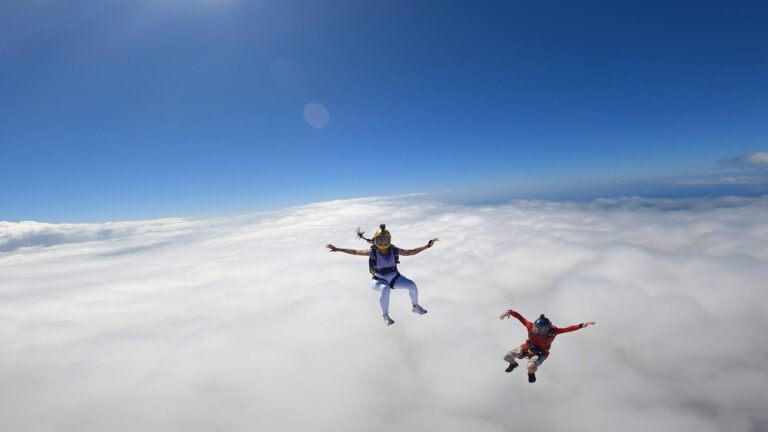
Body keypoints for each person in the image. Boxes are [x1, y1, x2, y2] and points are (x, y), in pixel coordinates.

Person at [326, 224, 439, 326]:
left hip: (394, 278)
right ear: (375, 241)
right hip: (378, 280)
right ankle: (385, 315)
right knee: (385, 289)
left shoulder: (394, 250)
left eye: (385, 240)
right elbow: (355, 252)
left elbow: (411, 252)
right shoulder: (372, 252)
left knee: (412, 285)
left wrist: (427, 246)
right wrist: (338, 249)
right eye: (380, 240)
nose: (383, 243)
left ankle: (415, 307)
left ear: (389, 240)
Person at [500, 310, 595, 383]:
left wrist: (582, 325)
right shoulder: (530, 327)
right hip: (528, 347)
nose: (537, 330)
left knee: (530, 367)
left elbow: (568, 329)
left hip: (540, 353)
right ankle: (513, 364)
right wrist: (509, 312)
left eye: (540, 329)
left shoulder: (552, 332)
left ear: (546, 329)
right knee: (506, 356)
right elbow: (521, 318)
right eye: (536, 328)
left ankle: (531, 373)